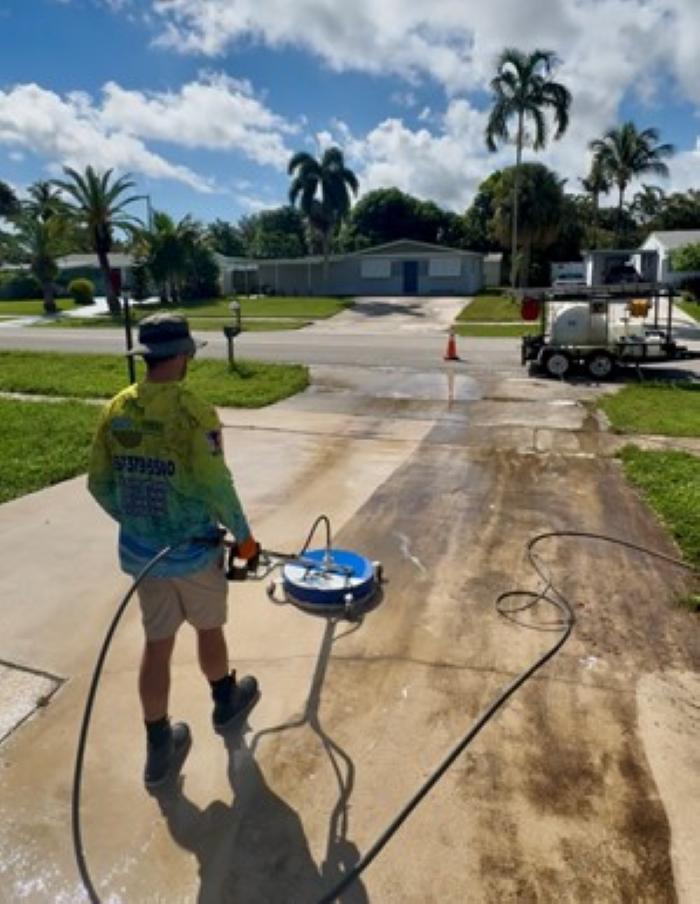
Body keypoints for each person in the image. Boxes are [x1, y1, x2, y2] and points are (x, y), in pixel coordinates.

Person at [88, 312, 260, 790]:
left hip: (145, 559)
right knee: (209, 628)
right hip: (194, 554)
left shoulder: (116, 409)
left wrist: (140, 521)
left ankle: (158, 747)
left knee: (157, 645)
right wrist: (244, 538)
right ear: (183, 356)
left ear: (147, 357)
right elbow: (217, 486)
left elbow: (98, 485)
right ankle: (226, 701)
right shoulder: (194, 412)